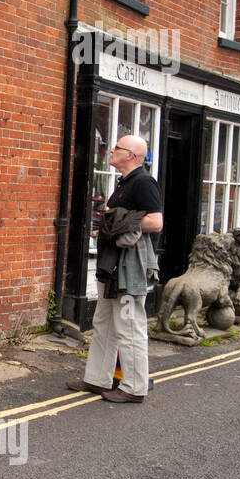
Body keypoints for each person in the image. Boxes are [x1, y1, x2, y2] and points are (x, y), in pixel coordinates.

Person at [68, 135, 162, 403]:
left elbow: (156, 222)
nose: (112, 150)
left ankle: (134, 388)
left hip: (129, 267)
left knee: (130, 326)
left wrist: (118, 220)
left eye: (118, 147)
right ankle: (97, 379)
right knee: (104, 322)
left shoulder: (144, 182)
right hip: (112, 264)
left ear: (132, 155)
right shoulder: (125, 183)